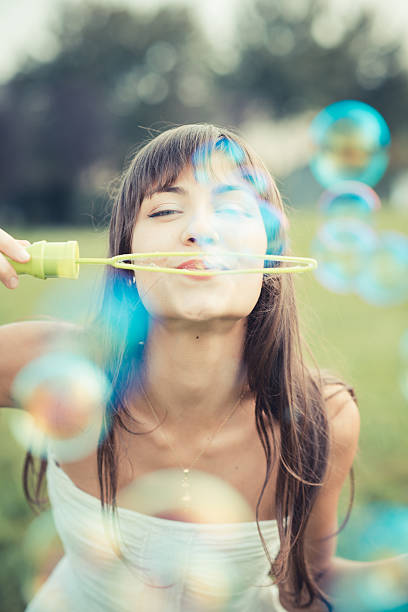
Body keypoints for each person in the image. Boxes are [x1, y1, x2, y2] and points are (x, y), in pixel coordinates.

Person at [0, 123, 401, 612]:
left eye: (231, 207)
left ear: (270, 257)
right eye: (166, 209)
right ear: (128, 258)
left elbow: (309, 584)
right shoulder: (47, 363)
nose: (200, 230)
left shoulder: (322, 416)